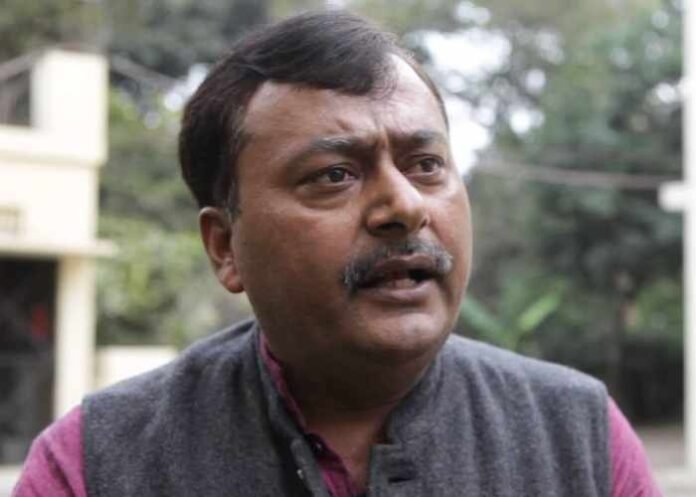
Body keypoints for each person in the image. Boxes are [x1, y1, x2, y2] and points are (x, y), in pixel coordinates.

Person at [14, 10, 661, 497]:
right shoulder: (92, 465)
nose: (405, 205)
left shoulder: (579, 439)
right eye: (334, 175)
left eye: (426, 164)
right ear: (225, 246)